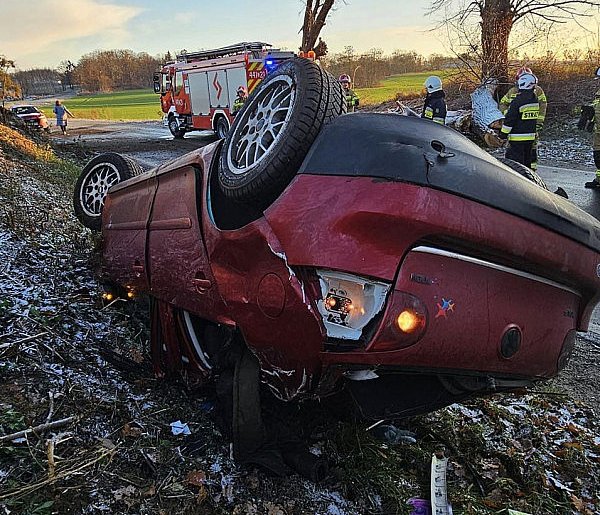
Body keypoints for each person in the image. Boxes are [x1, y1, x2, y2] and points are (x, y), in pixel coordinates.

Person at [499, 67, 547, 170]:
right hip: (524, 129)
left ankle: (529, 172)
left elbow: (542, 106)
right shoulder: (513, 91)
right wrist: (508, 113)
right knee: (525, 153)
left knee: (528, 152)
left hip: (524, 129)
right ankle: (528, 173)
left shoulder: (537, 92)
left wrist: (538, 122)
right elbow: (503, 103)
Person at [584, 67, 600, 188]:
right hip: (598, 131)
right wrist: (590, 115)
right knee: (598, 156)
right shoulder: (599, 92)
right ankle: (599, 179)